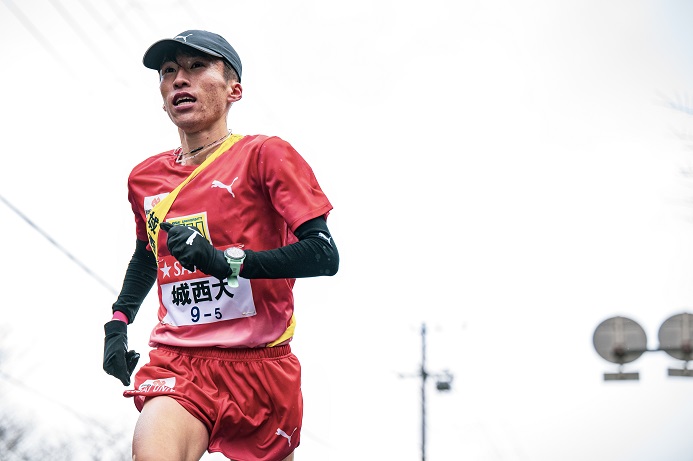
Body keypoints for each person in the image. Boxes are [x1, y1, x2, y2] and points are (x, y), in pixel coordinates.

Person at [102, 29, 339, 461]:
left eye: (196, 67)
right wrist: (118, 321)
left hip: (262, 367)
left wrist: (223, 261)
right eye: (169, 71)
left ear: (235, 90)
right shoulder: (144, 178)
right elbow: (146, 255)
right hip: (179, 362)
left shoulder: (266, 155)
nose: (179, 80)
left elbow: (323, 254)